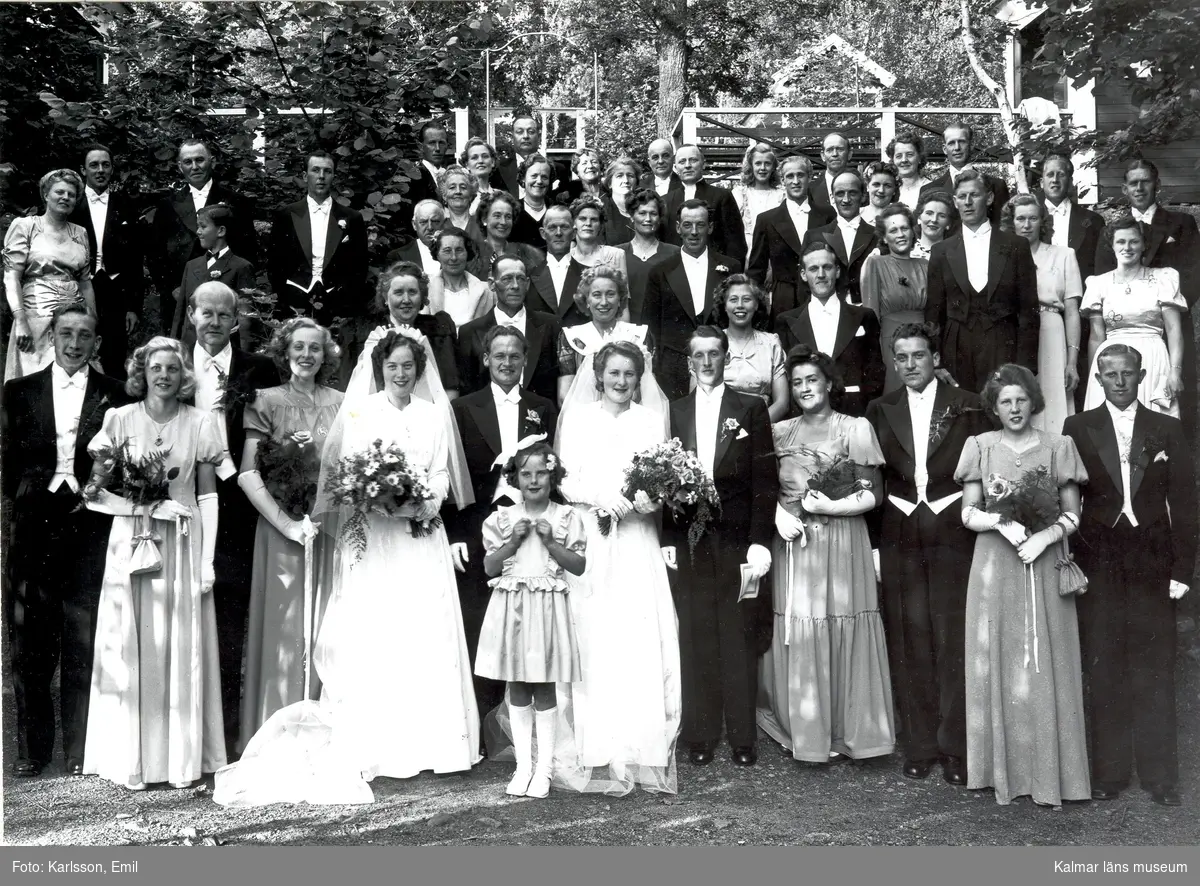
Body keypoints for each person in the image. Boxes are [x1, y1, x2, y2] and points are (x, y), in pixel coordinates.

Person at [213, 330, 479, 805]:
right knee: (376, 630)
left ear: (420, 370)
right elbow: (348, 473)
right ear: (380, 369)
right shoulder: (360, 412)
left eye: (408, 367)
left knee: (423, 627)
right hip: (374, 537)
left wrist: (424, 502)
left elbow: (441, 472)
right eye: (393, 366)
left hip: (419, 536)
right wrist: (378, 500)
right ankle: (379, 747)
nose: (401, 374)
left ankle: (433, 743)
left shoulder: (435, 414)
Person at [82, 337, 228, 790]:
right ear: (141, 373)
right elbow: (93, 496)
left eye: (172, 368)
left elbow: (207, 497)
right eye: (154, 368)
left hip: (183, 545)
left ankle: (180, 761)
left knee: (178, 646)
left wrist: (206, 564)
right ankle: (134, 760)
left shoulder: (200, 422)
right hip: (133, 545)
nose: (163, 375)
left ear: (184, 375)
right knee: (134, 645)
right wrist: (144, 509)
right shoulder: (119, 420)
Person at [1063, 344, 1197, 807]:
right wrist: (1073, 563)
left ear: (1141, 376)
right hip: (1099, 556)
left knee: (1155, 664)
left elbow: (1184, 503)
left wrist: (1182, 568)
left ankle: (1161, 776)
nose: (1119, 381)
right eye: (1110, 374)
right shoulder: (1077, 428)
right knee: (1104, 663)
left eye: (1127, 373)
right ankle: (1110, 772)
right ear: (1097, 379)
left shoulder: (1167, 428)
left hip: (1150, 557)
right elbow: (1068, 498)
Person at [953, 364, 1090, 807]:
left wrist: (1045, 537)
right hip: (995, 565)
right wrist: (1000, 523)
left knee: (1045, 660)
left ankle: (1053, 777)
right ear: (995, 408)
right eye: (1005, 401)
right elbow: (968, 513)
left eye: (1021, 400)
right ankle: (1000, 775)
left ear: (1034, 402)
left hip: (1043, 563)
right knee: (998, 659)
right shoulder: (980, 447)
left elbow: (1072, 513)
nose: (1014, 408)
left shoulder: (1058, 446)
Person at [1, 304, 128, 778]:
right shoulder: (19, 391)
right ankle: (33, 750)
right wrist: (37, 495)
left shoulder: (115, 395)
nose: (75, 343)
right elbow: (7, 463)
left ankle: (80, 748)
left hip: (91, 524)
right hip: (35, 524)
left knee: (84, 633)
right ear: (52, 336)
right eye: (66, 333)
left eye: (85, 335)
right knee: (31, 638)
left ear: (97, 343)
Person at [552, 339, 679, 793]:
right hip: (593, 534)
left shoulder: (649, 420)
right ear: (599, 376)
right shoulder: (581, 418)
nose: (621, 382)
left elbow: (664, 476)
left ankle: (641, 744)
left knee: (637, 630)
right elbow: (565, 479)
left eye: (629, 374)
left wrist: (650, 499)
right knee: (595, 631)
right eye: (614, 374)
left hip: (637, 538)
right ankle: (594, 744)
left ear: (639, 377)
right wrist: (602, 499)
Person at [866, 323, 990, 784]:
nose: (911, 365)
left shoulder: (968, 404)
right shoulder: (880, 408)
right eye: (903, 358)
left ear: (934, 358)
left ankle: (955, 745)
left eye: (920, 355)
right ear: (894, 363)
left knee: (953, 634)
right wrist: (877, 546)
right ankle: (918, 744)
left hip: (952, 527)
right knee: (908, 636)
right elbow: (872, 478)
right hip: (900, 528)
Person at [759, 344, 894, 765]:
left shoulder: (855, 428)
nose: (803, 389)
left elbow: (874, 494)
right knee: (802, 627)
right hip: (795, 542)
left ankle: (851, 730)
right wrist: (779, 511)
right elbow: (759, 486)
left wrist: (830, 507)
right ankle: (807, 729)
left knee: (842, 621)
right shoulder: (779, 432)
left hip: (842, 540)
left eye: (811, 380)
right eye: (796, 382)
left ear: (829, 383)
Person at [667, 327, 775, 767]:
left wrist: (757, 541)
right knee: (697, 634)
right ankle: (702, 733)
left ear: (726, 357)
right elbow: (662, 479)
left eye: (715, 353)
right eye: (699, 355)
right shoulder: (674, 411)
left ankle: (743, 738)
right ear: (689, 362)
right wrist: (667, 540)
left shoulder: (750, 408)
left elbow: (763, 481)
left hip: (734, 539)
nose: (707, 362)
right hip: (691, 539)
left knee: (737, 634)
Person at [235, 318, 344, 751]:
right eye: (298, 347)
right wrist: (287, 524)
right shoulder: (264, 401)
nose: (306, 355)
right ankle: (278, 735)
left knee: (326, 626)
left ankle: (324, 736)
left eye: (315, 348)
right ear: (284, 351)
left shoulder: (342, 402)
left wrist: (325, 515)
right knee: (284, 630)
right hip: (282, 532)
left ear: (326, 355)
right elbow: (247, 472)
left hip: (328, 527)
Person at [188, 281, 282, 757]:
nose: (215, 322)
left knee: (232, 614)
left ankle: (227, 734)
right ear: (191, 315)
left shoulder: (259, 369)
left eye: (225, 315)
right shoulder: (173, 365)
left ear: (236, 321)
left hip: (241, 502)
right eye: (207, 313)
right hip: (186, 501)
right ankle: (187, 734)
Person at [450, 326, 558, 724]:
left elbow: (553, 468)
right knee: (481, 622)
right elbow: (453, 476)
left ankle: (520, 727)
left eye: (515, 356)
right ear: (485, 360)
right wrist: (456, 535)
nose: (507, 363)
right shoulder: (464, 408)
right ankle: (481, 722)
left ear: (524, 360)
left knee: (527, 624)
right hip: (479, 525)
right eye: (499, 356)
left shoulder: (541, 406)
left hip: (530, 526)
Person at [478, 440, 585, 798]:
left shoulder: (566, 517)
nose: (534, 480)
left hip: (547, 612)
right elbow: (489, 567)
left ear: (553, 476)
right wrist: (511, 544)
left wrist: (553, 544)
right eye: (526, 474)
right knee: (518, 685)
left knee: (544, 686)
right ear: (515, 478)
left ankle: (545, 769)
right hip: (515, 611)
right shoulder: (502, 518)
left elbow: (579, 566)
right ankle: (523, 766)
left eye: (541, 473)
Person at [1094, 159, 1199, 436]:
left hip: (1168, 325)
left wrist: (1160, 307)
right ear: (1124, 188)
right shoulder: (1114, 231)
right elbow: (1104, 277)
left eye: (1146, 181)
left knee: (1172, 397)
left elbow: (1193, 274)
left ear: (1157, 185)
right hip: (1123, 326)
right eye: (1133, 183)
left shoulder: (1181, 223)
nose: (1139, 188)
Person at [924, 169, 1039, 392]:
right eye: (961, 197)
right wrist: (935, 362)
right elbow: (933, 312)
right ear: (955, 202)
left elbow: (1028, 310)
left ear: (989, 198)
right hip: (955, 347)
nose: (967, 202)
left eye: (974, 195)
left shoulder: (1015, 246)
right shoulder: (941, 251)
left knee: (1000, 410)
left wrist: (1026, 366)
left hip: (1002, 343)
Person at [146, 139, 258, 335]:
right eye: (188, 162)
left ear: (211, 162)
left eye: (200, 160)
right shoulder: (167, 205)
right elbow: (156, 254)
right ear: (180, 167)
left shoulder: (236, 202)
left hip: (226, 293)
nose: (195, 167)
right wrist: (173, 288)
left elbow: (247, 249)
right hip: (180, 297)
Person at [1080, 215, 1186, 419]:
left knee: (1154, 424)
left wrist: (1175, 371)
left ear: (1144, 245)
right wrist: (1097, 376)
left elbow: (1173, 329)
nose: (1127, 247)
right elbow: (1096, 335)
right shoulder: (1098, 284)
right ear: (1112, 245)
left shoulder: (1163, 278)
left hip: (1152, 358)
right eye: (1121, 241)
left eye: (1134, 241)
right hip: (1111, 359)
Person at [643, 199, 740, 400]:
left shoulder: (730, 268)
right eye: (687, 225)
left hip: (719, 360)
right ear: (678, 228)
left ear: (710, 227)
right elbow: (651, 324)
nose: (694, 231)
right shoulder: (660, 271)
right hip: (673, 366)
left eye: (700, 225)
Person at [4, 169, 95, 380]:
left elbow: (86, 284)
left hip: (74, 319)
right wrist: (20, 321)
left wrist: (92, 322)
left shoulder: (79, 232)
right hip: (36, 318)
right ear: (46, 194)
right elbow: (11, 277)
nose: (65, 197)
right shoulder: (26, 226)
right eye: (59, 192)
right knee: (37, 385)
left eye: (71, 195)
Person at [1002, 195, 1082, 434]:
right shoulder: (1001, 257)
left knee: (1052, 396)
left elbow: (1072, 312)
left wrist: (1072, 362)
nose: (1027, 225)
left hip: (1050, 331)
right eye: (1021, 219)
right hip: (1013, 332)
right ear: (1011, 221)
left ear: (1042, 222)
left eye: (1033, 219)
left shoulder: (1064, 255)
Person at [776, 241, 884, 418]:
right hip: (805, 417)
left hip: (855, 415)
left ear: (837, 271)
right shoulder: (786, 321)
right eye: (813, 269)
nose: (821, 274)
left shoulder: (864, 316)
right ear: (803, 274)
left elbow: (875, 370)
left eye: (827, 267)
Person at [266, 150, 369, 329]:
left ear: (334, 176)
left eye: (327, 171)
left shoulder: (352, 218)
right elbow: (275, 264)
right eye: (315, 170)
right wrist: (285, 298)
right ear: (306, 176)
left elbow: (360, 267)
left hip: (338, 304)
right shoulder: (287, 215)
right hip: (294, 301)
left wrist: (345, 299)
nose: (321, 176)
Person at [1036, 154, 1104, 410]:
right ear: (1041, 181)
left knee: (1076, 377)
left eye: (1061, 174)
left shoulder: (1092, 221)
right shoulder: (1028, 218)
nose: (1055, 179)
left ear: (1070, 180)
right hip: (1041, 312)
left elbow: (1097, 270)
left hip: (1079, 312)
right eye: (1049, 174)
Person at [71, 144, 142, 379]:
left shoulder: (126, 205)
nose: (100, 170)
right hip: (79, 290)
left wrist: (133, 307)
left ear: (112, 169)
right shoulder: (72, 206)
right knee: (77, 350)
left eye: (105, 165)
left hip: (116, 292)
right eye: (94, 165)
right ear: (83, 170)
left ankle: (113, 412)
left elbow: (135, 260)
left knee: (114, 359)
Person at [457, 255, 562, 401]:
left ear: (528, 284)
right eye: (507, 279)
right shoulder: (470, 332)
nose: (515, 286)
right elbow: (467, 390)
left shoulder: (551, 326)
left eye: (520, 279)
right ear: (492, 284)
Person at [747, 155, 835, 324]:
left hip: (820, 296)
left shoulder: (827, 214)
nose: (795, 181)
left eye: (800, 175)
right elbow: (756, 270)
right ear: (782, 180)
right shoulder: (767, 220)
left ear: (809, 177)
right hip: (784, 300)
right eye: (790, 176)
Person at [556, 267, 657, 414]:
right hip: (585, 421)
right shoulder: (571, 337)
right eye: (597, 295)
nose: (604, 302)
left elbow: (649, 392)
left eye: (610, 294)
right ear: (587, 300)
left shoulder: (639, 335)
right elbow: (564, 395)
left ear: (620, 299)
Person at [860, 204, 930, 394]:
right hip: (891, 344)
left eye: (904, 228)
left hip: (923, 342)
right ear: (884, 237)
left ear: (913, 231)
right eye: (893, 230)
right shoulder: (875, 264)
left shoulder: (926, 265)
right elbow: (870, 316)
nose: (900, 234)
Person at [370, 260, 459, 398]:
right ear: (385, 298)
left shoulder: (438, 330)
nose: (406, 300)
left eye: (412, 292)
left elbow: (451, 389)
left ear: (422, 296)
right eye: (398, 292)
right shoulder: (373, 334)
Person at [705, 274, 788, 421]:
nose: (740, 305)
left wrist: (755, 428)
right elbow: (699, 397)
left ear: (756, 305)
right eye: (733, 299)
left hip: (762, 428)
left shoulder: (771, 343)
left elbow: (782, 403)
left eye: (747, 299)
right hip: (718, 428)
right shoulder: (711, 343)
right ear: (724, 305)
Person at [172, 203, 255, 344]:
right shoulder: (191, 266)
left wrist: (243, 358)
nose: (198, 231)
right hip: (191, 348)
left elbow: (245, 320)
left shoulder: (241, 267)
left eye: (203, 226)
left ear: (221, 231)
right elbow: (180, 315)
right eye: (198, 226)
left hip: (223, 347)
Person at [801, 170, 879, 307]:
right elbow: (804, 283)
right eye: (840, 193)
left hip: (866, 311)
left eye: (852, 193)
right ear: (832, 198)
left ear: (863, 196)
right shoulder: (814, 236)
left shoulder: (878, 236)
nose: (846, 200)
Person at [664, 145, 747, 266]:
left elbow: (735, 242)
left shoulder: (722, 196)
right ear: (675, 168)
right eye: (682, 161)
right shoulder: (666, 200)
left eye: (693, 160)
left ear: (703, 164)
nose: (687, 165)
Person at [919, 123, 1010, 227]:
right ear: (945, 149)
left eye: (961, 142)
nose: (957, 148)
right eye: (951, 143)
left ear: (971, 145)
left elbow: (1004, 228)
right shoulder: (929, 190)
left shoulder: (996, 185)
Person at [617, 189, 680, 324]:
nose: (648, 219)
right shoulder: (617, 253)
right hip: (627, 326)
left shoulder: (674, 253)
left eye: (653, 213)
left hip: (663, 326)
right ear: (632, 216)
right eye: (642, 213)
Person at [527, 204, 588, 325]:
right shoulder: (529, 275)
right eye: (552, 227)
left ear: (574, 232)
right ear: (543, 233)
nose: (558, 233)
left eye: (564, 227)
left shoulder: (588, 276)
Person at [426, 229, 495, 330]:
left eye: (459, 250)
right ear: (437, 255)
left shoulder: (487, 291)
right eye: (447, 251)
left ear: (467, 253)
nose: (453, 257)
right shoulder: (426, 289)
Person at [468, 191, 546, 280]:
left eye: (508, 217)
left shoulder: (527, 253)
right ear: (484, 219)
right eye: (497, 216)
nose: (503, 222)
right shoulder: (474, 254)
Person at [392, 120, 449, 240]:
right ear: (420, 146)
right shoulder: (412, 178)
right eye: (432, 143)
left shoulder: (451, 177)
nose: (437, 148)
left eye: (441, 143)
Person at [496, 110, 568, 199]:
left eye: (531, 131)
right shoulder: (498, 169)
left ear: (539, 136)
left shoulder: (559, 170)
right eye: (520, 131)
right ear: (512, 137)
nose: (525, 136)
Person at [731, 143, 784, 252]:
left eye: (767, 164)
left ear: (773, 167)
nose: (763, 168)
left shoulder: (782, 195)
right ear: (751, 166)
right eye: (758, 163)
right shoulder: (740, 194)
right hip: (748, 252)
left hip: (776, 251)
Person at [569, 195, 628, 280]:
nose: (588, 223)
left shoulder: (615, 255)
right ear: (573, 223)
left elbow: (624, 292)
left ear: (600, 225)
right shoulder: (565, 258)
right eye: (582, 219)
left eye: (594, 219)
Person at [387, 199, 446, 276]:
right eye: (423, 222)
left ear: (444, 223)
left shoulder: (457, 253)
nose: (430, 227)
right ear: (414, 225)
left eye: (435, 221)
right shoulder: (398, 256)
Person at [510, 154, 556, 250]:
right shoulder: (512, 211)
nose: (539, 181)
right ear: (523, 178)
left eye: (544, 177)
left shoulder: (557, 210)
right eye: (534, 176)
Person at [600, 157, 641, 246]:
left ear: (636, 182)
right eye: (619, 176)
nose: (625, 180)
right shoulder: (601, 209)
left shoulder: (644, 207)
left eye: (630, 176)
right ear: (610, 183)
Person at [807, 132, 852, 214]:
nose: (835, 154)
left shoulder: (862, 187)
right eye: (829, 150)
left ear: (849, 154)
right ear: (823, 156)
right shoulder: (809, 190)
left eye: (840, 149)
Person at [439, 165, 485, 241]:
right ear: (444, 195)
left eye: (463, 187)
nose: (458, 191)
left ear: (471, 195)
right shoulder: (438, 227)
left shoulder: (482, 225)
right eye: (452, 187)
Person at [460, 137, 505, 212]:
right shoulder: (462, 195)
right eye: (474, 158)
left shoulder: (501, 196)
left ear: (493, 162)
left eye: (485, 156)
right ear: (467, 164)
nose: (480, 161)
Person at [910, 191, 956, 260]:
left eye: (942, 216)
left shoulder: (955, 255)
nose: (934, 220)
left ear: (948, 223)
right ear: (919, 216)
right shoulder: (907, 251)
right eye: (929, 213)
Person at [887, 131, 928, 209]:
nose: (904, 160)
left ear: (919, 158)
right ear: (893, 160)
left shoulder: (930, 187)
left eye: (909, 155)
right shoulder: (888, 189)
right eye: (899, 156)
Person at [860, 162, 899, 226]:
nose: (881, 190)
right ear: (867, 186)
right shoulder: (857, 215)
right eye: (876, 184)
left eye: (887, 186)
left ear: (894, 190)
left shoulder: (901, 216)